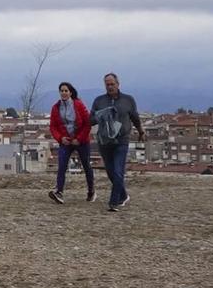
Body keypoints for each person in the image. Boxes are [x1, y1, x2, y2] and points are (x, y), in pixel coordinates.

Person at [91, 72, 144, 213]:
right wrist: (99, 116)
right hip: (104, 141)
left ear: (118, 84)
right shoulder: (99, 101)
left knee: (118, 170)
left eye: (112, 84)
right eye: (107, 84)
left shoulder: (128, 100)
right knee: (110, 172)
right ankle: (124, 195)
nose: (110, 87)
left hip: (122, 140)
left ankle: (113, 202)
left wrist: (141, 131)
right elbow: (91, 120)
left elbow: (135, 117)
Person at [47, 80, 95, 205]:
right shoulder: (55, 108)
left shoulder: (79, 105)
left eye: (66, 91)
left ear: (70, 92)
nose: (63, 93)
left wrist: (79, 139)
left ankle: (91, 191)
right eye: (61, 91)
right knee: (62, 166)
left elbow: (87, 123)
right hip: (66, 141)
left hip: (81, 141)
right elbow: (53, 126)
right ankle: (59, 192)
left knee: (86, 165)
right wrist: (60, 138)